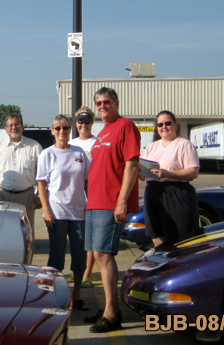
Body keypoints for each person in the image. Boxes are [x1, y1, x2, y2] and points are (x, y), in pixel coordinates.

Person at [84, 87, 140, 333]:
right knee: (97, 255)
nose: (102, 106)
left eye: (106, 101)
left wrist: (122, 201)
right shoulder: (102, 132)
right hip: (94, 202)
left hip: (111, 201)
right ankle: (109, 305)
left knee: (104, 254)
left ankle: (112, 314)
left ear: (116, 103)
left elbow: (132, 164)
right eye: (98, 103)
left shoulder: (126, 126)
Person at [37, 115, 90, 311]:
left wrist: (90, 206)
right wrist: (46, 210)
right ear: (52, 131)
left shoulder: (79, 152)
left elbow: (86, 182)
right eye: (58, 128)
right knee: (56, 257)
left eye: (65, 128)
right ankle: (54, 296)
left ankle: (77, 295)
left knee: (80, 256)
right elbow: (41, 184)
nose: (62, 131)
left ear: (70, 130)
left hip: (78, 212)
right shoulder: (47, 154)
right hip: (57, 212)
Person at [142, 110, 200, 247]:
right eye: (160, 124)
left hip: (176, 192)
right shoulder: (151, 147)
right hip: (153, 192)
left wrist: (167, 174)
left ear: (175, 125)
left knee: (181, 238)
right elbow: (143, 175)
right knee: (156, 234)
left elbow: (193, 172)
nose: (164, 127)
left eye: (167, 123)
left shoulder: (184, 144)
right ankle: (163, 259)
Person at [0, 112, 43, 228]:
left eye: (17, 124)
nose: (14, 127)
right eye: (10, 125)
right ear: (6, 129)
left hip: (26, 197)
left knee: (25, 232)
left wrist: (39, 196)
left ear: (22, 127)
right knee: (1, 230)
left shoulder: (35, 147)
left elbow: (42, 176)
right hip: (2, 196)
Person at [69, 106, 97, 289]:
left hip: (93, 194)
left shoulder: (97, 143)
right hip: (76, 197)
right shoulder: (71, 143)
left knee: (90, 237)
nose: (83, 125)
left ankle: (87, 274)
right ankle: (77, 272)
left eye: (87, 121)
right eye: (80, 121)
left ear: (92, 123)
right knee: (78, 238)